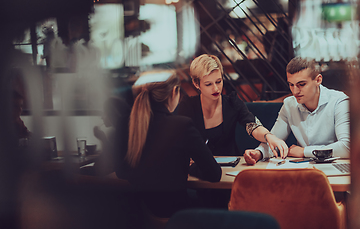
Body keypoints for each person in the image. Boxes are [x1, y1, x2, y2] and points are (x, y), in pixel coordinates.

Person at [116, 70, 222, 218]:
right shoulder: (182, 125)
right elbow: (214, 174)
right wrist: (190, 167)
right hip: (177, 217)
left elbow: (121, 171)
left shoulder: (125, 124)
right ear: (174, 92)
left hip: (138, 218)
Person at [244, 57, 350, 165]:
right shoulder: (289, 104)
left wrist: (304, 152)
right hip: (304, 168)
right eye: (291, 85)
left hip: (334, 168)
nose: (295, 91)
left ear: (318, 80)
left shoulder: (339, 102)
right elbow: (275, 139)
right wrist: (258, 153)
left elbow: (347, 147)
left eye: (302, 84)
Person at [177, 54, 287, 157]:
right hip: (198, 169)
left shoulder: (232, 103)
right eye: (208, 84)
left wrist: (269, 137)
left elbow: (252, 125)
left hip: (230, 165)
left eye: (218, 81)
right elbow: (178, 138)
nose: (215, 88)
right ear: (196, 84)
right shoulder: (187, 106)